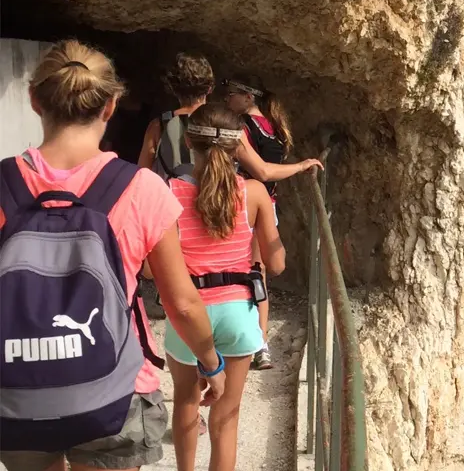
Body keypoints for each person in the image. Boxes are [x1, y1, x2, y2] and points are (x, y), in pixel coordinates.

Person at [0, 40, 226, 471]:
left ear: (34, 100)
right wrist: (210, 362)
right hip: (114, 394)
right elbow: (181, 302)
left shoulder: (2, 185)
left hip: (16, 391)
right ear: (110, 106)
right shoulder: (141, 188)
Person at [164, 102, 284, 471]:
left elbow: (154, 273)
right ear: (239, 145)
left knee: (186, 400)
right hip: (238, 311)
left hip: (188, 310)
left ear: (188, 141)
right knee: (226, 416)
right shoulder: (255, 193)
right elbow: (276, 264)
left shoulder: (168, 192)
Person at [223, 77, 320, 370]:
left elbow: (262, 171)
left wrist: (302, 166)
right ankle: (258, 342)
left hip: (246, 206)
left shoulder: (241, 128)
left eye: (231, 94)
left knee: (249, 272)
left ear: (247, 97)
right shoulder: (275, 127)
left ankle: (252, 341)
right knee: (261, 272)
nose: (226, 99)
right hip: (268, 205)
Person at [138, 52, 216, 180]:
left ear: (172, 89)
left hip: (171, 197)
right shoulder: (223, 123)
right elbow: (261, 171)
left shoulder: (159, 125)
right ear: (210, 89)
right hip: (213, 197)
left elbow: (143, 173)